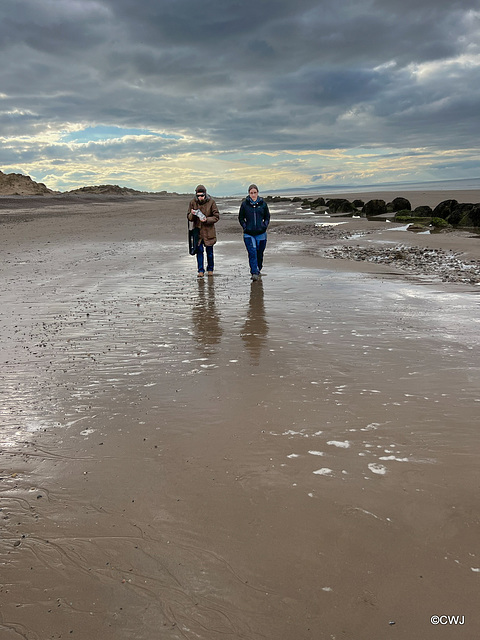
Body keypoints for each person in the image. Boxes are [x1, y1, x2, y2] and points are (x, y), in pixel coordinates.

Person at [238, 184, 270, 281]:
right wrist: (245, 226)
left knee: (259, 253)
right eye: (251, 193)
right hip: (249, 233)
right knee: (252, 253)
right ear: (249, 194)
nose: (253, 195)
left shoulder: (263, 204)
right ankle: (254, 272)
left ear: (257, 193)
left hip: (261, 233)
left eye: (254, 193)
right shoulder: (245, 204)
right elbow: (240, 218)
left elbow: (267, 217)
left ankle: (258, 268)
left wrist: (264, 225)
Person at [187, 184, 220, 277]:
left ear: (205, 194)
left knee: (209, 252)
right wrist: (193, 214)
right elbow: (189, 217)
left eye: (202, 195)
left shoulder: (211, 202)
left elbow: (216, 216)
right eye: (198, 196)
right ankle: (200, 271)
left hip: (209, 231)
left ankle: (210, 269)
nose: (200, 197)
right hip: (197, 231)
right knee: (199, 251)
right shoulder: (192, 202)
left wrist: (207, 220)